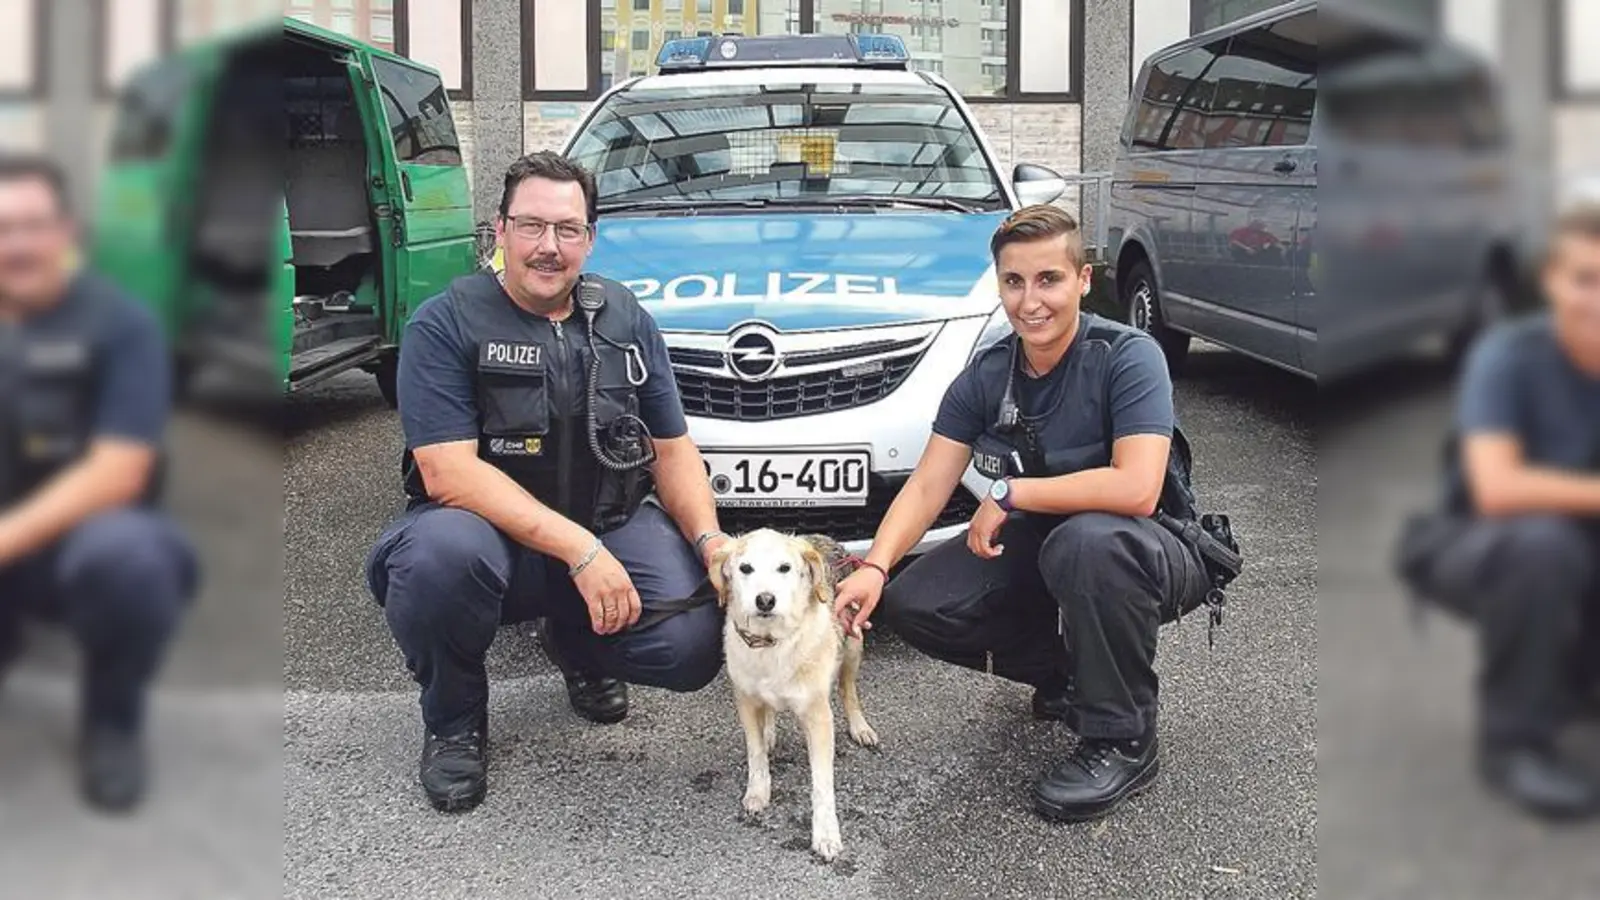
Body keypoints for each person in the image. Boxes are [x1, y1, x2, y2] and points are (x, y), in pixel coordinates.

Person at [365, 151, 730, 813]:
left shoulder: (624, 319)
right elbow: (447, 471)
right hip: (487, 541)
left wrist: (710, 544)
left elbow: (673, 450)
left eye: (567, 229)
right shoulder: (445, 323)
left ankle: (578, 644)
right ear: (500, 230)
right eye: (531, 226)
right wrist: (580, 551)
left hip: (607, 518)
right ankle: (454, 720)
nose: (548, 247)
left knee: (692, 643)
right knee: (434, 563)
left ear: (590, 238)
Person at [832, 204, 1212, 824]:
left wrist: (1011, 494)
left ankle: (1124, 737)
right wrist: (875, 567)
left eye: (1048, 280)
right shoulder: (989, 373)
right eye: (1014, 282)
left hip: (1149, 546)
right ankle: (1071, 674)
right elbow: (929, 483)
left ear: (1083, 280)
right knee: (916, 601)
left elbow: (1138, 488)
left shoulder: (1128, 355)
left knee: (1086, 544)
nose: (1030, 301)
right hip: (1056, 548)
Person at [0, 155, 198, 813]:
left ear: (66, 233)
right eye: (2, 228)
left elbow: (120, 469)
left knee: (132, 560)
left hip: (72, 542)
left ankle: (112, 720)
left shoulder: (119, 324)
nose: (17, 245)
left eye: (32, 225)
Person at [1398, 202, 1600, 821]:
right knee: (1543, 547)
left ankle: (1575, 676)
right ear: (1552, 281)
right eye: (1585, 279)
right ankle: (1514, 745)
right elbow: (1498, 488)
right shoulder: (1510, 355)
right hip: (1480, 539)